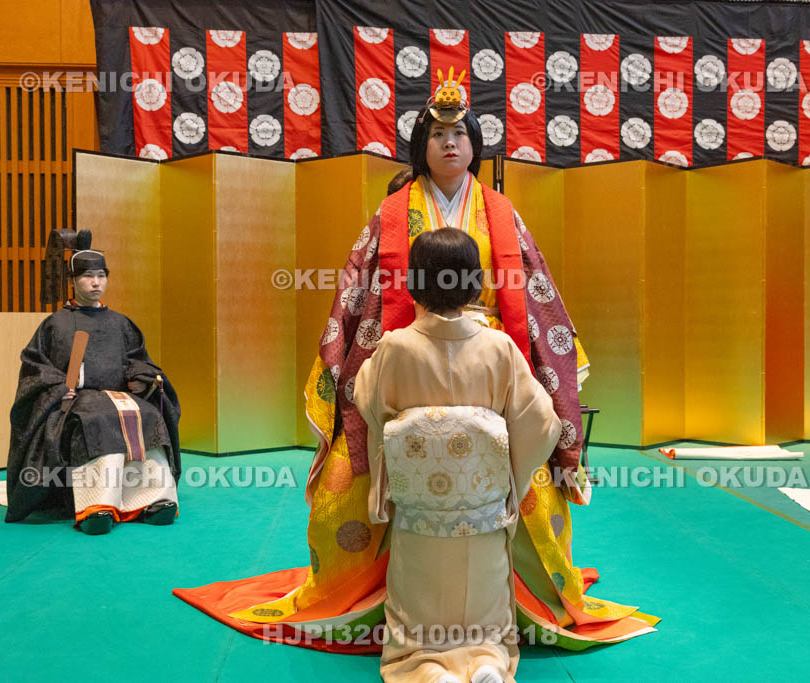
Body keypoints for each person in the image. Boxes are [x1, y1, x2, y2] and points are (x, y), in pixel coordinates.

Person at [175, 68, 657, 651]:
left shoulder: (502, 213)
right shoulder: (392, 213)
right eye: (436, 135)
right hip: (408, 351)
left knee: (537, 486)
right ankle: (361, 588)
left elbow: (536, 294)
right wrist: (351, 360)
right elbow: (358, 287)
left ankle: (528, 593)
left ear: (476, 146)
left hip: (491, 359)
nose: (450, 144)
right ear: (419, 148)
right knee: (342, 491)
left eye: (460, 135)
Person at [355, 227, 562, 682]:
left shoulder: (395, 348)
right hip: (481, 514)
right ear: (475, 283)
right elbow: (542, 422)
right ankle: (485, 661)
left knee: (418, 604)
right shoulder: (498, 347)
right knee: (485, 605)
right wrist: (507, 479)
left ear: (413, 282)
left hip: (421, 517)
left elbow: (366, 401)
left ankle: (427, 668)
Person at [5, 248, 181, 535]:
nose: (96, 283)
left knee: (149, 414)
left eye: (101, 276)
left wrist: (141, 378)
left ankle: (155, 500)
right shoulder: (55, 324)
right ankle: (96, 507)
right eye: (88, 277)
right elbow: (34, 368)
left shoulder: (121, 323)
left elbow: (138, 359)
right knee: (96, 419)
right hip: (79, 399)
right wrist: (59, 388)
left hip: (120, 396)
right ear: (73, 281)